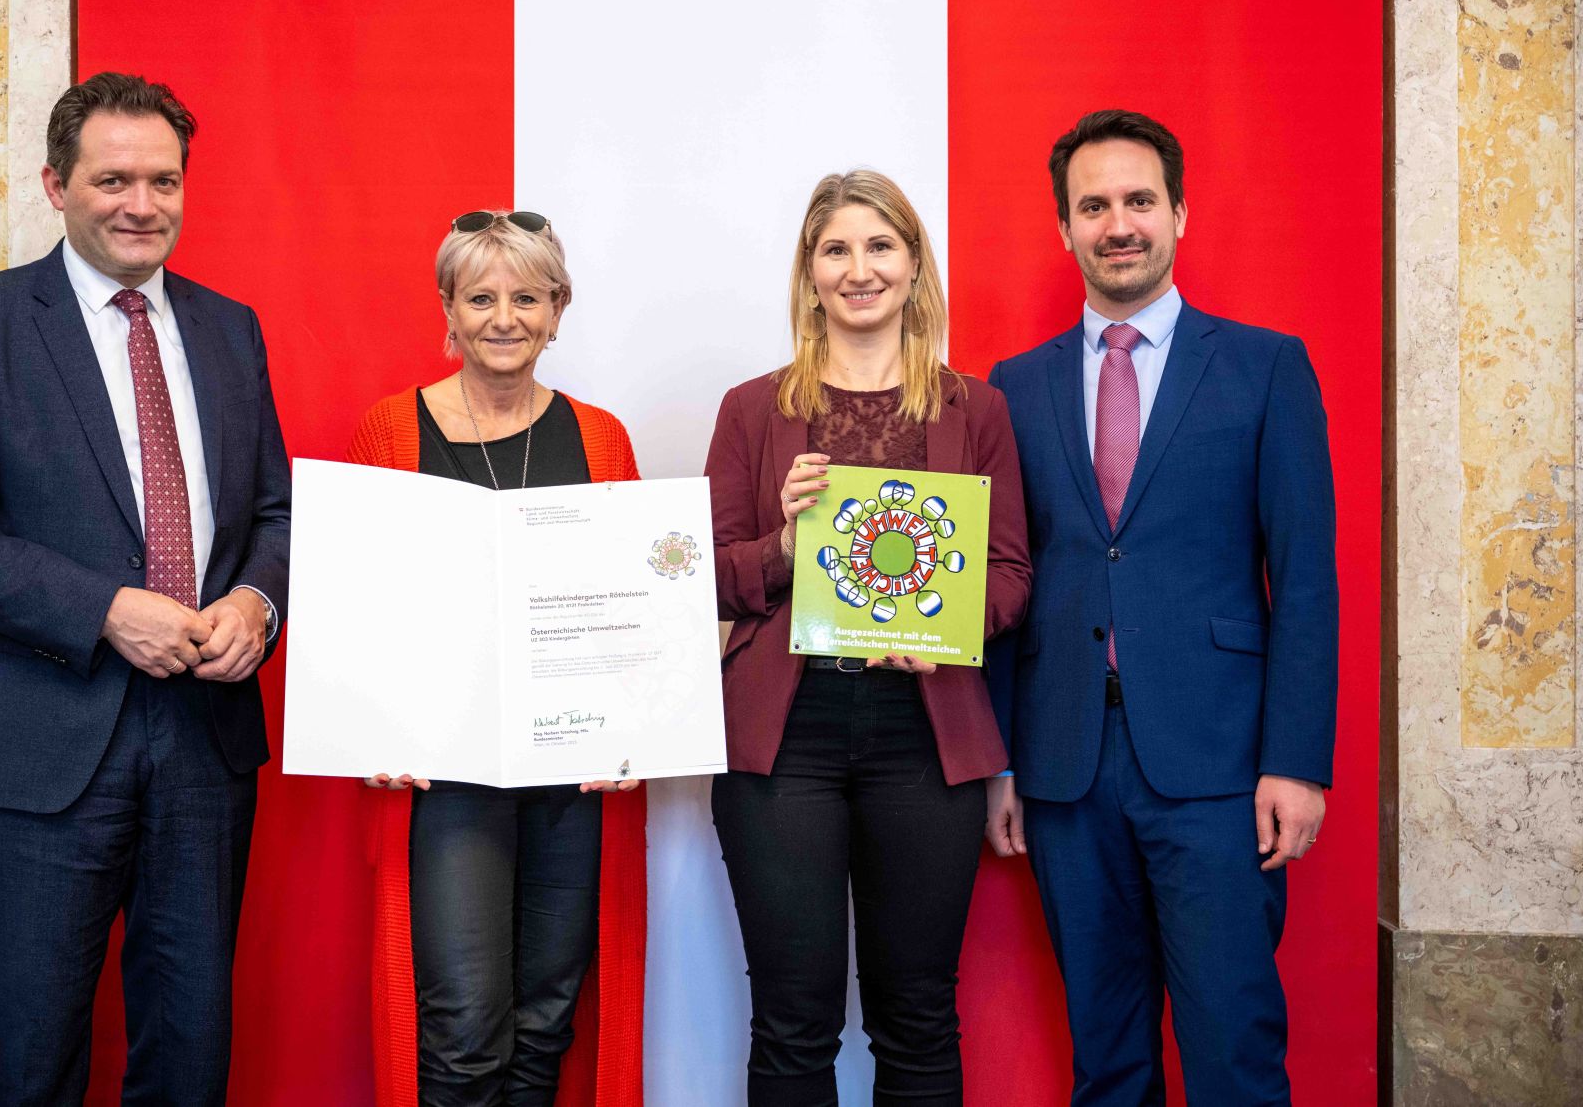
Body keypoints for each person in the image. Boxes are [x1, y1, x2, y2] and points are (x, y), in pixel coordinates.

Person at [0, 72, 290, 1104]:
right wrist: (104, 611)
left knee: (190, 1048)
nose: (140, 204)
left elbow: (273, 518)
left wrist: (255, 604)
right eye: (113, 179)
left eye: (162, 180)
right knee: (33, 1051)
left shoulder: (229, 328)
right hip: (40, 740)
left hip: (205, 738)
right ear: (55, 185)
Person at [986, 109, 1338, 1105]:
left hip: (1221, 770)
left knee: (1231, 1046)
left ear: (1177, 213)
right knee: (1104, 1054)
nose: (1117, 223)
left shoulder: (1265, 367)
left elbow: (1304, 578)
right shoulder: (1012, 389)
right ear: (1063, 229)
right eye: (1092, 206)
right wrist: (1002, 758)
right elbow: (1005, 579)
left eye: (1137, 200)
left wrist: (1293, 763)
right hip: (1061, 770)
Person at [705, 170, 1031, 1105]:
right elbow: (708, 578)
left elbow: (1010, 576)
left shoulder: (978, 409)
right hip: (783, 738)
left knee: (919, 1015)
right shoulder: (750, 409)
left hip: (925, 737)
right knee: (793, 1020)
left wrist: (945, 629)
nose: (860, 269)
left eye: (880, 246)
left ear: (914, 264)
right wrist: (787, 544)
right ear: (809, 274)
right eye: (837, 249)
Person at [346, 210, 646, 1107]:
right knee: (466, 1025)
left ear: (559, 312)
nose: (504, 317)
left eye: (527, 297)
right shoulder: (389, 431)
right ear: (447, 308)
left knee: (547, 1017)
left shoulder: (603, 438)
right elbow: (357, 605)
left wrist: (631, 732)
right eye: (481, 297)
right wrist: (370, 727)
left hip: (570, 775)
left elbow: (628, 608)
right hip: (447, 778)